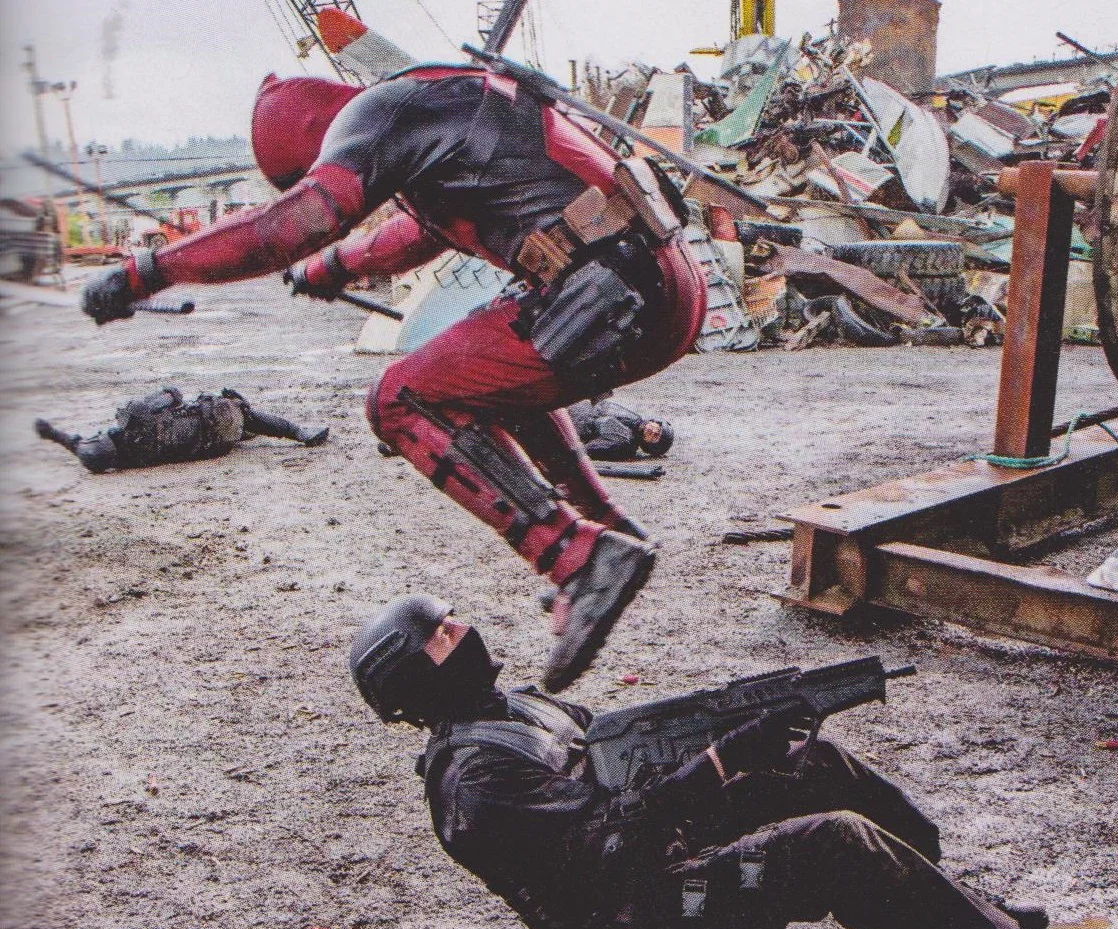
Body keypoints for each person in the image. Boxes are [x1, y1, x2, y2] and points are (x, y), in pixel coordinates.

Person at [78, 67, 705, 691]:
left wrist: (145, 273)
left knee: (399, 400)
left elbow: (287, 228)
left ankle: (577, 557)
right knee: (484, 381)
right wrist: (333, 268)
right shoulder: (435, 105)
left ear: (310, 133)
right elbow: (416, 235)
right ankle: (604, 525)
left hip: (611, 293)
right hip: (658, 285)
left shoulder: (376, 113)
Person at [348, 594, 1118, 929]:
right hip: (644, 926)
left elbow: (626, 765)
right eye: (442, 635)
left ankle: (953, 906)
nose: (463, 628)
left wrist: (729, 734)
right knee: (830, 842)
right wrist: (721, 762)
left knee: (811, 764)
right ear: (418, 678)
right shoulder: (475, 783)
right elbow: (610, 847)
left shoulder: (517, 709)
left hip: (659, 865)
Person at [35, 386, 327, 473]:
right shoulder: (136, 416)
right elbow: (172, 393)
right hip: (216, 425)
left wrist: (56, 436)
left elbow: (82, 447)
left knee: (238, 422)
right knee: (237, 410)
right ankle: (297, 431)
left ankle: (252, 428)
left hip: (212, 447)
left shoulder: (128, 461)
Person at [564, 398, 674, 461]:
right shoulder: (634, 418)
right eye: (658, 428)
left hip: (568, 423)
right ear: (655, 421)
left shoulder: (625, 444)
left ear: (650, 445)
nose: (653, 431)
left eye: (655, 436)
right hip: (571, 405)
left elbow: (584, 450)